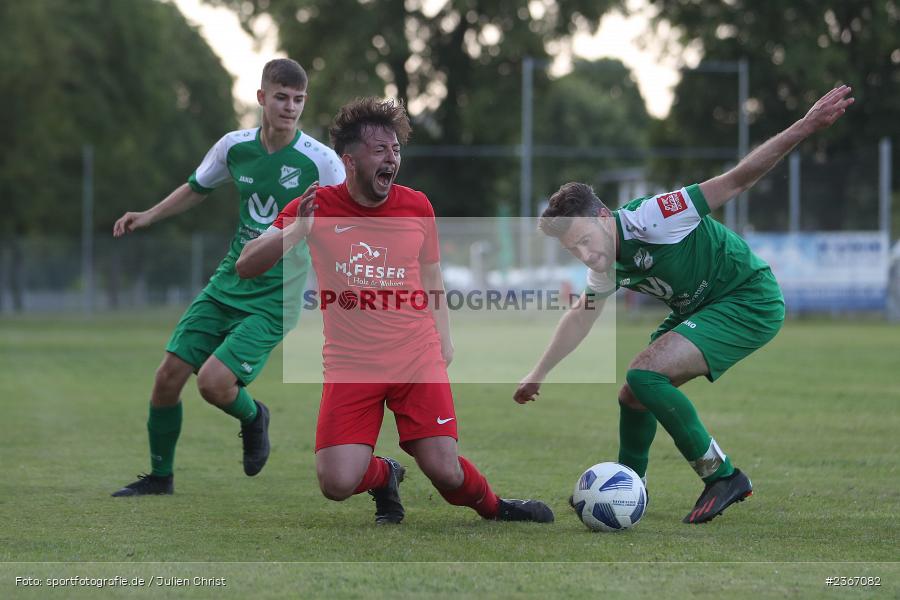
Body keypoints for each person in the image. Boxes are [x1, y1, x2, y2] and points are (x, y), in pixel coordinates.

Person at [514, 85, 854, 523]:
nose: (583, 254)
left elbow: (738, 179)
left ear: (604, 217)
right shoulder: (604, 258)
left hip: (748, 298)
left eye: (583, 240)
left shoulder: (656, 215)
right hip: (703, 308)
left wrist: (805, 126)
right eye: (571, 249)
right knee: (634, 394)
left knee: (644, 373)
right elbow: (582, 316)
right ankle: (629, 486)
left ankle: (722, 476)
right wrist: (539, 372)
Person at [237, 97, 554, 524]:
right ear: (349, 161)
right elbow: (246, 266)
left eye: (396, 149)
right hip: (352, 365)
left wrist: (444, 336)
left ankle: (496, 508)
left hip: (414, 356)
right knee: (336, 483)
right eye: (380, 150)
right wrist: (296, 232)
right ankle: (386, 475)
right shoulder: (316, 206)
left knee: (445, 469)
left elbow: (433, 277)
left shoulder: (417, 206)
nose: (392, 158)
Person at [110, 58, 345, 496]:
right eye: (280, 97)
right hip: (226, 284)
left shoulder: (323, 162)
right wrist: (148, 215)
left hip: (274, 297)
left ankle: (254, 417)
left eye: (297, 100)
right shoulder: (234, 147)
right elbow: (197, 187)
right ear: (261, 98)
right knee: (166, 377)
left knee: (213, 383)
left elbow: (349, 217)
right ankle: (161, 478)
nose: (289, 107)